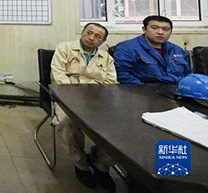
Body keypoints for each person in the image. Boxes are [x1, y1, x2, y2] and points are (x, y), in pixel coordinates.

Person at [50, 23, 117, 191]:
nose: (91, 38)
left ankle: (101, 164)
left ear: (103, 41)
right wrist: (75, 93)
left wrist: (92, 93)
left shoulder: (106, 58)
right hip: (66, 96)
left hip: (96, 100)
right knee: (66, 122)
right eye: (89, 33)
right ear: (82, 32)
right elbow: (58, 74)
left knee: (117, 124)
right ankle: (80, 163)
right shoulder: (64, 48)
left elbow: (110, 82)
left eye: (97, 36)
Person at [113, 15, 191, 84]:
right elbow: (123, 75)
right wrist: (142, 90)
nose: (160, 32)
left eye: (166, 29)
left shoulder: (177, 50)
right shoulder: (127, 48)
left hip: (177, 90)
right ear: (144, 29)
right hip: (143, 91)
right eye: (154, 28)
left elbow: (187, 74)